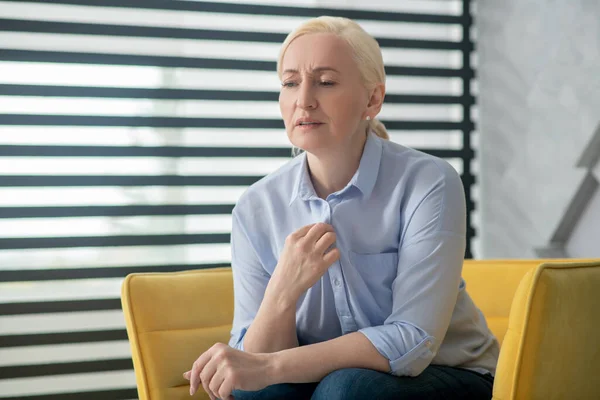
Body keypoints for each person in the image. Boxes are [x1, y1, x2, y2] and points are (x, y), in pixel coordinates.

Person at [183, 16, 499, 400]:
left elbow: (412, 343)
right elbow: (252, 360)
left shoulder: (429, 182)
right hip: (326, 382)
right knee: (258, 394)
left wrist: (270, 366)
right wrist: (283, 291)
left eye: (326, 82)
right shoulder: (255, 207)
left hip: (450, 374)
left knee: (345, 388)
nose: (304, 100)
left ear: (373, 99)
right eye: (290, 82)